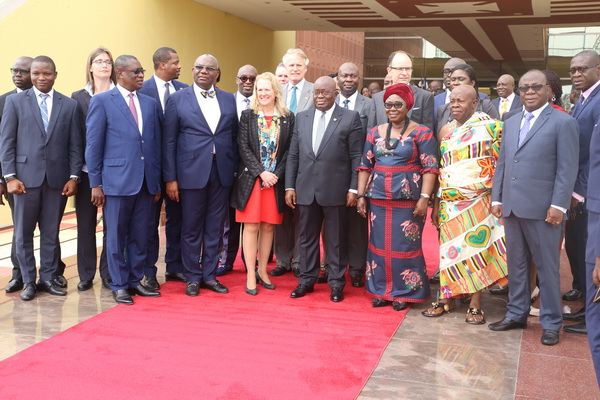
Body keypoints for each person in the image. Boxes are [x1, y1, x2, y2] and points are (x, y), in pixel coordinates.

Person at [488, 69, 579, 346]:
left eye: (536, 87)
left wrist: (558, 206)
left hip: (544, 211)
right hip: (513, 207)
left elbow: (567, 169)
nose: (529, 92)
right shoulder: (511, 121)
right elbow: (503, 163)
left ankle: (551, 322)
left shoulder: (563, 122)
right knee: (515, 265)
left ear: (549, 91)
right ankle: (517, 313)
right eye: (524, 88)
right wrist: (497, 198)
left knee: (547, 268)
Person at [421, 85, 507, 323]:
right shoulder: (446, 130)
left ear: (474, 104)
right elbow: (443, 169)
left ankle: (476, 303)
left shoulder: (493, 128)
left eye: (461, 101)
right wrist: (436, 204)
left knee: (475, 252)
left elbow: (500, 165)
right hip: (450, 203)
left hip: (479, 200)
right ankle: (446, 299)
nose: (455, 105)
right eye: (452, 101)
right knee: (449, 254)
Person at [0, 56, 83, 301]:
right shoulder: (15, 102)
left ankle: (48, 277)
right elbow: (7, 143)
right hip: (24, 182)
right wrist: (10, 177)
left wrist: (74, 177)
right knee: (23, 234)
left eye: (46, 73)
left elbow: (75, 145)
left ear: (55, 74)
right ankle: (28, 280)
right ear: (31, 75)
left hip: (57, 181)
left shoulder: (68, 105)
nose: (41, 78)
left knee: (50, 232)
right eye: (36, 73)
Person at [86, 54, 162, 305]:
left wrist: (157, 181)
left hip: (145, 182)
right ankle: (118, 284)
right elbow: (94, 145)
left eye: (142, 71)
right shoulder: (102, 101)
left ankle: (134, 280)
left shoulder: (150, 103)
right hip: (116, 183)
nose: (141, 75)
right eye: (136, 71)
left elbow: (154, 144)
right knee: (116, 236)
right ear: (120, 73)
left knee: (141, 235)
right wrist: (95, 183)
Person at [357, 83, 438, 310]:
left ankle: (405, 292)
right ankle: (382, 290)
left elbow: (430, 168)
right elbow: (365, 165)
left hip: (408, 200)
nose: (392, 108)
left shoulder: (422, 132)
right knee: (378, 245)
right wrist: (362, 195)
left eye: (397, 104)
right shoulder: (374, 132)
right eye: (388, 105)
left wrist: (424, 198)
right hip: (379, 199)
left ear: (408, 106)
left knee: (405, 246)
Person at [163, 54, 238, 297]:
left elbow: (233, 137)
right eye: (199, 67)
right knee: (191, 227)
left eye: (210, 68)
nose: (204, 71)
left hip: (222, 173)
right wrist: (170, 178)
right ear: (193, 71)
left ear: (218, 73)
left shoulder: (228, 99)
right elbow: (169, 141)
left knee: (215, 227)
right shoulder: (177, 100)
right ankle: (192, 277)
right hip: (190, 174)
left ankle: (209, 275)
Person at [285, 76, 363, 302]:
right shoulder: (302, 118)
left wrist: (353, 188)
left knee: (335, 239)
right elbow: (294, 154)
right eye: (316, 92)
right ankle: (306, 280)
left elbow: (356, 156)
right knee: (306, 237)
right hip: (305, 189)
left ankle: (336, 283)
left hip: (336, 190)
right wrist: (290, 186)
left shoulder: (350, 118)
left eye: (325, 92)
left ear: (335, 93)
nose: (319, 97)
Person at [231, 72, 294, 295]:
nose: (263, 93)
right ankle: (250, 273)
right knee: (251, 226)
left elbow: (289, 152)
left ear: (276, 92)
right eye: (260, 89)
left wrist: (275, 174)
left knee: (268, 226)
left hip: (275, 182)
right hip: (252, 180)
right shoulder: (248, 116)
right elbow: (243, 148)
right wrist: (261, 173)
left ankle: (263, 271)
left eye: (267, 89)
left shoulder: (288, 117)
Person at [138, 47, 188, 290]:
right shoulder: (141, 90)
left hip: (180, 171)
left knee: (177, 220)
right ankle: (149, 272)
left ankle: (175, 267)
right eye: (176, 62)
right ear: (161, 65)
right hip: (150, 172)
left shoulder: (184, 90)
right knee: (149, 225)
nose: (179, 66)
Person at [71, 47, 116, 291]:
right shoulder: (78, 97)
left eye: (108, 61)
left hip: (115, 171)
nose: (104, 65)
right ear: (90, 67)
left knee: (113, 225)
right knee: (85, 224)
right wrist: (76, 173)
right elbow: (76, 139)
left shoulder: (120, 94)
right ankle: (86, 274)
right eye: (98, 61)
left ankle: (108, 273)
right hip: (88, 173)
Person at [324, 62, 372, 287]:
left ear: (358, 78)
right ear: (338, 79)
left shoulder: (369, 105)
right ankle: (332, 266)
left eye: (353, 76)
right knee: (333, 224)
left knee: (357, 225)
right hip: (331, 175)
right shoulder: (328, 102)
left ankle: (356, 269)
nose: (349, 79)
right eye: (345, 76)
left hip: (359, 172)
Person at [563, 51, 600, 336]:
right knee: (580, 253)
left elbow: (594, 156)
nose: (575, 74)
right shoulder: (583, 99)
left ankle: (593, 317)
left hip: (589, 194)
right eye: (572, 70)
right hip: (579, 191)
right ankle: (588, 310)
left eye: (581, 69)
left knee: (592, 255)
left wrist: (579, 192)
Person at [271, 48, 314, 278]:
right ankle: (283, 260)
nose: (295, 69)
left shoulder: (315, 90)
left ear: (306, 68)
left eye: (299, 65)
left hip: (307, 161)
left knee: (302, 212)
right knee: (281, 211)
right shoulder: (278, 92)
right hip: (280, 160)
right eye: (291, 66)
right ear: (285, 69)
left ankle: (299, 259)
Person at [218, 64, 258, 277]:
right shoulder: (225, 101)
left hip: (255, 170)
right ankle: (227, 260)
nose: (248, 82)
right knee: (229, 220)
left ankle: (251, 260)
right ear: (236, 79)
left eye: (252, 78)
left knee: (253, 218)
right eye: (244, 78)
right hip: (230, 168)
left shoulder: (264, 104)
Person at [0, 56, 33, 294]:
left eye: (23, 71)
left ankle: (54, 273)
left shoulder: (53, 101)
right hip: (15, 179)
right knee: (21, 228)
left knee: (51, 229)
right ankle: (18, 274)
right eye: (15, 70)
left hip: (48, 177)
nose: (17, 74)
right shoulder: (4, 101)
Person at [368, 50, 434, 131]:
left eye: (408, 69)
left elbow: (428, 132)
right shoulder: (377, 98)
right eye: (400, 69)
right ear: (389, 71)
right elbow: (371, 131)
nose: (404, 73)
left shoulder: (425, 97)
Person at [436, 64, 499, 133]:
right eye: (453, 80)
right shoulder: (443, 109)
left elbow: (497, 131)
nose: (456, 83)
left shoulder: (485, 105)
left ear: (472, 83)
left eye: (461, 79)